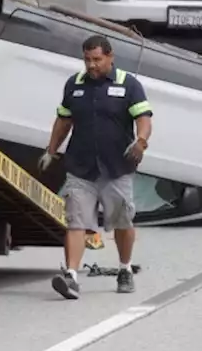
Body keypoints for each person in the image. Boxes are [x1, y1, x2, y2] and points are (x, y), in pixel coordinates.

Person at [38, 34, 153, 299]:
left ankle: (124, 269)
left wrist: (141, 142)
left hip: (116, 168)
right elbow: (63, 121)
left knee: (123, 220)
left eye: (97, 60)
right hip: (81, 166)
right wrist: (51, 150)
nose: (91, 65)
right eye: (87, 60)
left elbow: (144, 118)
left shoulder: (129, 85)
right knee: (76, 222)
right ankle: (71, 277)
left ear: (110, 58)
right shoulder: (74, 85)